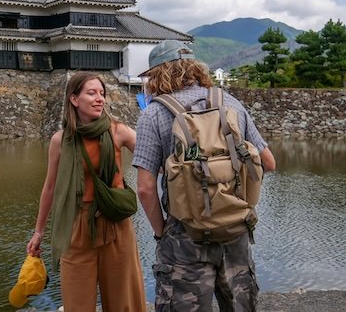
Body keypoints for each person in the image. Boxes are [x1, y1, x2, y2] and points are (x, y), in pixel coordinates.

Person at [133, 40, 277, 312]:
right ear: (195, 67)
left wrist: (162, 233)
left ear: (156, 74)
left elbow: (145, 189)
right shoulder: (229, 103)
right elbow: (268, 162)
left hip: (185, 235)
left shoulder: (153, 114)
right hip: (235, 230)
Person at [27, 72, 146, 311]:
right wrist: (38, 232)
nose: (99, 98)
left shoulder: (118, 131)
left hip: (116, 226)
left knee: (125, 301)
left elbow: (152, 158)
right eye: (91, 93)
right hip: (77, 226)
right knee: (77, 302)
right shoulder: (61, 141)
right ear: (74, 99)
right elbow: (50, 187)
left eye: (102, 93)